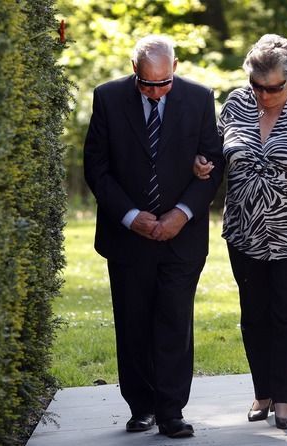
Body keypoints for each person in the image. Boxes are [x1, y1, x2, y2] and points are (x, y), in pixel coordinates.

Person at [194, 34, 287, 430]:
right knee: (254, 316)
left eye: (273, 87)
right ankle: (262, 392)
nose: (263, 95)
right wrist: (200, 165)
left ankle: (285, 401)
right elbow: (216, 155)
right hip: (244, 231)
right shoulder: (236, 104)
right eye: (257, 86)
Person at [83, 35, 223, 438]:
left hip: (183, 237)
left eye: (164, 83)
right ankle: (140, 407)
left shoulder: (199, 99)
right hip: (127, 237)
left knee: (175, 321)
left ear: (174, 69)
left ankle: (171, 410)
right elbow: (97, 166)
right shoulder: (108, 99)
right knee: (133, 322)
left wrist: (181, 214)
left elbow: (212, 163)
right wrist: (130, 216)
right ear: (134, 70)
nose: (157, 92)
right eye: (148, 84)